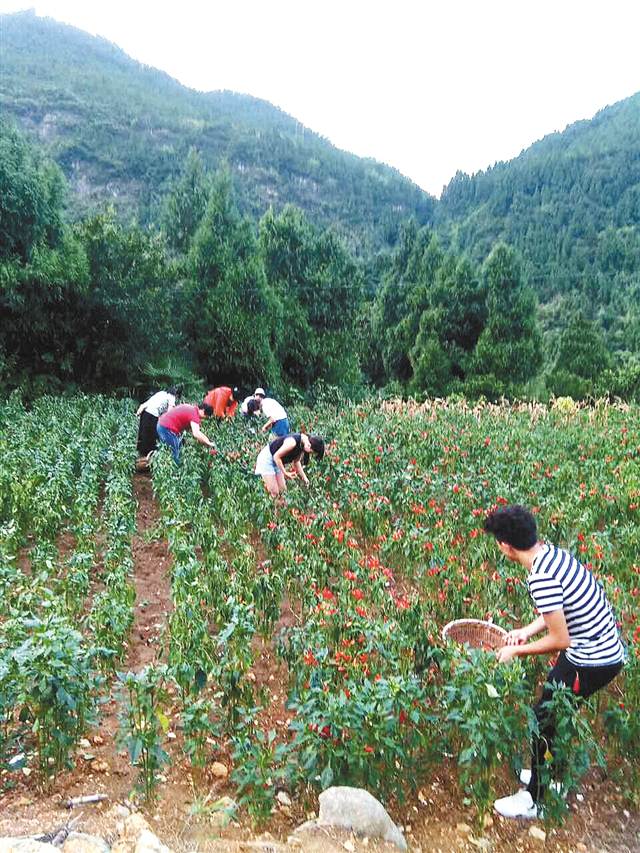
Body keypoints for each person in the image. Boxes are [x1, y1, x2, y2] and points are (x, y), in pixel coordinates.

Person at [483, 504, 625, 819]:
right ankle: (550, 777)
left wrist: (517, 650)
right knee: (551, 715)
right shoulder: (551, 555)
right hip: (600, 649)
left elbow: (561, 640)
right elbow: (557, 613)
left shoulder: (540, 577)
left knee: (542, 719)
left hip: (593, 659)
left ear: (506, 546)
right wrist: (525, 631)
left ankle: (535, 800)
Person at [255, 432, 324, 498]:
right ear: (309, 445)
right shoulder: (292, 443)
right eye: (312, 452)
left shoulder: (302, 444)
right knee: (274, 492)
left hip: (277, 461)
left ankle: (280, 509)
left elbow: (296, 462)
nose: (310, 453)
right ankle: (273, 508)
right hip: (267, 459)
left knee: (283, 491)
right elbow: (276, 456)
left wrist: (305, 478)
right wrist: (285, 473)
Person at [136, 386, 181, 458]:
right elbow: (169, 413)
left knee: (143, 436)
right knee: (152, 439)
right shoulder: (172, 397)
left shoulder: (161, 393)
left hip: (145, 413)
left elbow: (146, 403)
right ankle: (149, 458)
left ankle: (141, 457)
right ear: (177, 395)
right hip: (152, 415)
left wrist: (138, 413)